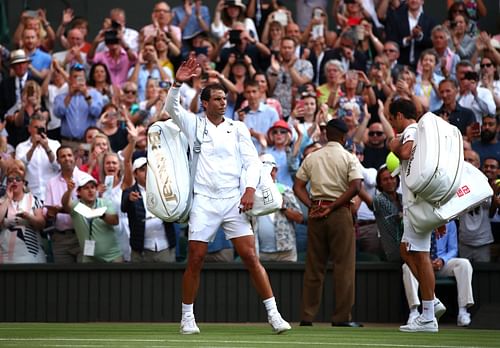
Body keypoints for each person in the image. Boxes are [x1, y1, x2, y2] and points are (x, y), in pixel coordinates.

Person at [165, 57, 291, 334]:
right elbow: (169, 108)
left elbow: (251, 162)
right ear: (205, 103)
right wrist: (178, 81)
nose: (223, 102)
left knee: (249, 255)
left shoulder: (238, 127)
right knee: (195, 258)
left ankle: (274, 314)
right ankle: (187, 317)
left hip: (234, 199)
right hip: (204, 201)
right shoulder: (193, 124)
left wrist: (248, 190)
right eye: (217, 98)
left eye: (225, 98)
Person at [293, 118, 363, 327]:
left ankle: (307, 316)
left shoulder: (313, 157)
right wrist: (332, 207)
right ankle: (341, 318)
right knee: (344, 267)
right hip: (340, 212)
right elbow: (356, 186)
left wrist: (312, 205)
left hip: (316, 213)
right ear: (343, 136)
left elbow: (298, 186)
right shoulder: (348, 157)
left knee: (314, 266)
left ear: (326, 135)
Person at [387, 98, 442, 333]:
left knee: (419, 254)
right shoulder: (422, 132)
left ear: (400, 115)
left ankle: (429, 314)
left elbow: (406, 152)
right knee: (407, 250)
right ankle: (433, 301)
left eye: (392, 118)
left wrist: (393, 145)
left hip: (417, 203)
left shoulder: (411, 130)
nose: (392, 122)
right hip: (421, 201)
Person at [402, 221, 474, 327]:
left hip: (442, 263)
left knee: (464, 264)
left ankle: (463, 311)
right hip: (422, 263)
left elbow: (453, 249)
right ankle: (414, 312)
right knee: (406, 267)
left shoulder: (450, 222)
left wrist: (442, 260)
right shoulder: (417, 220)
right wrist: (426, 263)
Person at [121, 157, 177, 263]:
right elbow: (123, 207)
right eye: (142, 170)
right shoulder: (129, 192)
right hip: (141, 250)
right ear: (135, 174)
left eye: (149, 169)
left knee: (168, 279)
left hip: (165, 247)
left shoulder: (165, 189)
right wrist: (129, 199)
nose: (147, 173)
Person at [61, 173, 123, 263]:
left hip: (113, 258)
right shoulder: (78, 207)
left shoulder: (104, 203)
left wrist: (101, 214)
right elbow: (65, 203)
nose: (90, 191)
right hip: (89, 260)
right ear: (79, 192)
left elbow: (115, 220)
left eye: (93, 187)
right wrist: (69, 191)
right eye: (86, 188)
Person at [254, 154, 303, 262]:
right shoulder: (253, 194)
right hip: (260, 253)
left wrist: (283, 207)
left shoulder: (285, 190)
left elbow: (299, 218)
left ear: (275, 171)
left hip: (286, 252)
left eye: (271, 169)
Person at [44, 146, 87, 263]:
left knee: (86, 276)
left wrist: (64, 209)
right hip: (60, 237)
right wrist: (51, 212)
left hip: (82, 236)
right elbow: (47, 213)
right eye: (63, 156)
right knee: (63, 279)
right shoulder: (51, 183)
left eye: (69, 155)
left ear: (74, 157)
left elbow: (92, 208)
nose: (67, 158)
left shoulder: (86, 178)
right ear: (57, 161)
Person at [0, 161, 46, 263]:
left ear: (24, 183)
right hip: (5, 257)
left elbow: (41, 223)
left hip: (31, 255)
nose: (14, 182)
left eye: (18, 179)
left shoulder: (34, 200)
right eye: (10, 180)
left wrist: (28, 217)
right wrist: (8, 199)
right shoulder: (2, 201)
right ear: (6, 183)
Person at [53, 63, 104, 143]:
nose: (77, 80)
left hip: (88, 142)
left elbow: (97, 113)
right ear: (69, 78)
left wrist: (86, 95)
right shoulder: (61, 96)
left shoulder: (95, 94)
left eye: (81, 77)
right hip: (68, 142)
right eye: (75, 77)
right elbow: (58, 113)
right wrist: (69, 95)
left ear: (85, 79)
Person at [15, 114, 61, 203]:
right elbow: (19, 168)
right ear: (29, 129)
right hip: (30, 196)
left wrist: (47, 148)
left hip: (51, 196)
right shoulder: (21, 147)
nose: (39, 131)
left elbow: (58, 167)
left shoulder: (55, 144)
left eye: (42, 128)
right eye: (36, 127)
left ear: (46, 129)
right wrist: (33, 148)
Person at [385, 0, 435, 69]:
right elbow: (391, 40)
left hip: (422, 66)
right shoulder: (396, 18)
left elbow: (432, 43)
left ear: (422, 1)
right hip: (400, 65)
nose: (414, 0)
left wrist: (420, 36)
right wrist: (408, 39)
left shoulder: (429, 20)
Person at [373, 165, 403, 262]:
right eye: (385, 179)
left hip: (408, 246)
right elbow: (396, 214)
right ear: (380, 183)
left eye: (392, 178)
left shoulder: (403, 198)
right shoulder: (379, 200)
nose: (389, 182)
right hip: (391, 250)